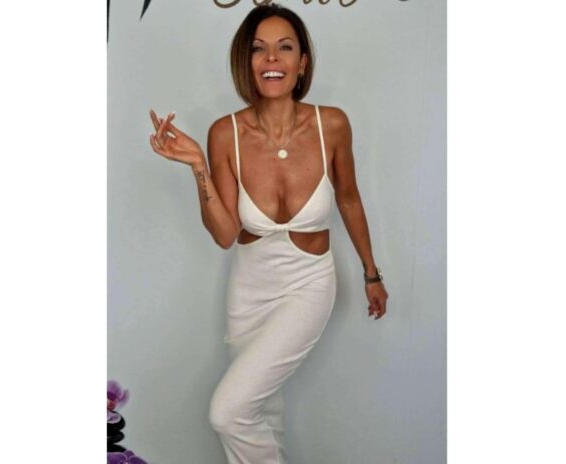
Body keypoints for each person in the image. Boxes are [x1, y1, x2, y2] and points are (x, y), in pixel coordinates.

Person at [148, 4, 388, 462]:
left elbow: (349, 200)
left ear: (302, 63)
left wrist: (371, 273)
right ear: (247, 62)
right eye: (259, 49)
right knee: (260, 411)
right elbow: (225, 234)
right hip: (249, 291)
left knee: (228, 411)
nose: (272, 59)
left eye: (285, 48)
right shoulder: (225, 134)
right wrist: (198, 166)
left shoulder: (332, 125)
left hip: (309, 284)